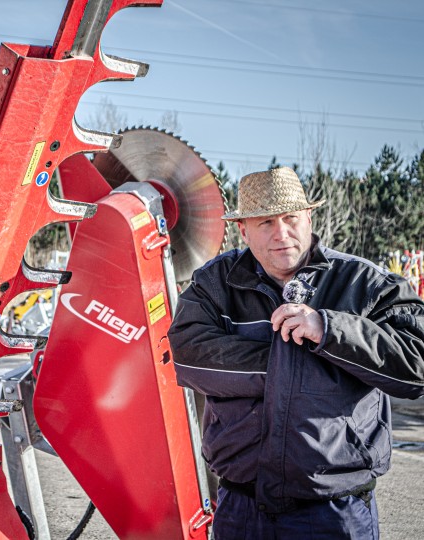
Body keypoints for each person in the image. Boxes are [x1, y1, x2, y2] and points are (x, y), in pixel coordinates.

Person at [168, 166, 424, 539]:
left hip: (336, 513)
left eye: (290, 218)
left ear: (308, 217)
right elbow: (188, 357)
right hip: (240, 509)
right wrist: (307, 363)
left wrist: (330, 330)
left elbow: (416, 365)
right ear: (243, 229)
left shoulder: (365, 283)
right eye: (266, 222)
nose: (281, 234)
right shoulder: (214, 284)